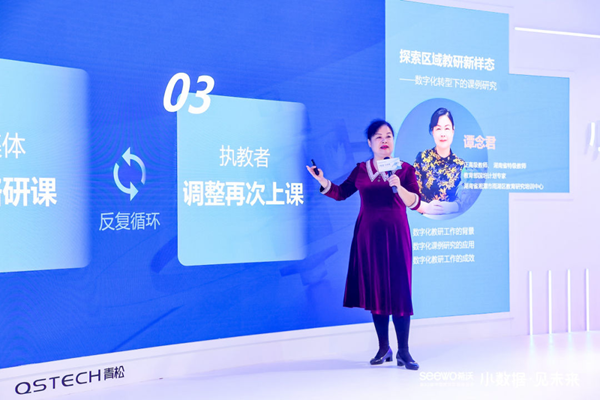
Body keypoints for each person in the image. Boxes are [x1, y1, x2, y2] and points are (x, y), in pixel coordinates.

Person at [306, 119, 421, 370]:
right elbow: (341, 193)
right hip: (368, 238)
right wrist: (322, 180)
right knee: (377, 291)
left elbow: (415, 201)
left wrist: (398, 186)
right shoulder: (361, 169)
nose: (384, 140)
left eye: (388, 136)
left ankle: (404, 351)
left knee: (400, 291)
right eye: (378, 137)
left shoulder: (404, 170)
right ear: (369, 143)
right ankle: (383, 348)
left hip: (397, 236)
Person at [414, 108, 466, 215]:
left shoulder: (461, 165)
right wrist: (426, 208)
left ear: (453, 131)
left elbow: (466, 200)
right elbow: (412, 194)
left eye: (447, 128)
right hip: (424, 221)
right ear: (432, 131)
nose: (443, 134)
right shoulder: (422, 158)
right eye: (438, 129)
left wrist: (452, 207)